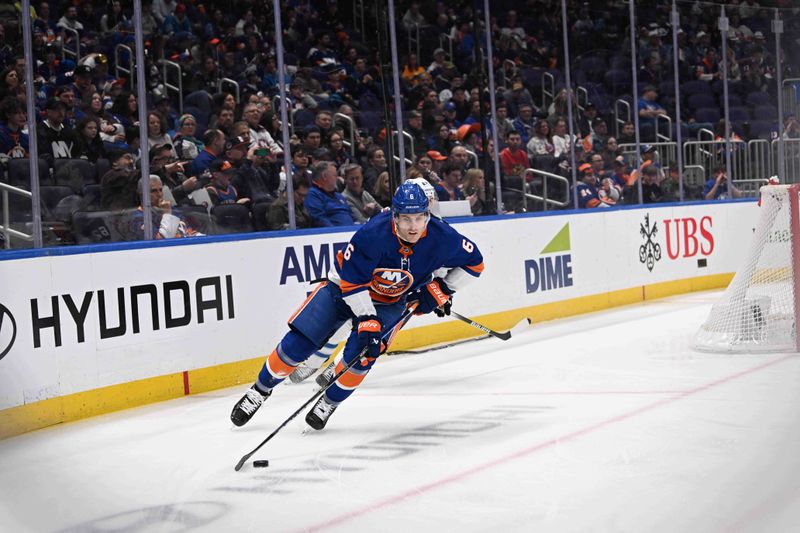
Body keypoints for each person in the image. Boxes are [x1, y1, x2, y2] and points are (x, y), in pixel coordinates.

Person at [230, 182, 485, 430]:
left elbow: (475, 263)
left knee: (364, 356)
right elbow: (352, 282)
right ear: (394, 216)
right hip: (342, 290)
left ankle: (328, 403)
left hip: (390, 301)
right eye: (406, 219)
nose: (413, 226)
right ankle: (260, 391)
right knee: (299, 343)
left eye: (419, 218)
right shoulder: (373, 234)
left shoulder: (443, 237)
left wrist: (442, 289)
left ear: (428, 215)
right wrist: (367, 318)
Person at [130, 175, 201, 239]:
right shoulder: (138, 218)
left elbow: (189, 232)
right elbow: (162, 242)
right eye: (153, 191)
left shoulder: (173, 210)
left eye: (160, 190)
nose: (159, 194)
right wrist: (167, 214)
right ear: (142, 193)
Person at [305, 161, 355, 227]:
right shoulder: (313, 194)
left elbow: (352, 216)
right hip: (333, 234)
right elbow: (319, 219)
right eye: (335, 175)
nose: (337, 178)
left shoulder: (339, 196)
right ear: (324, 176)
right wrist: (335, 232)